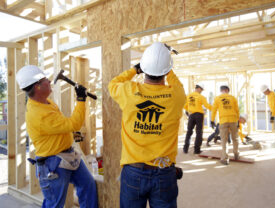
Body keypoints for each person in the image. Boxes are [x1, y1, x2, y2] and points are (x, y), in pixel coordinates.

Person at [109, 42, 185, 208]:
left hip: (134, 171)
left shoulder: (129, 91)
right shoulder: (177, 95)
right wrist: (165, 63)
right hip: (164, 172)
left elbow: (113, 83)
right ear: (166, 71)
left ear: (144, 68)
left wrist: (135, 69)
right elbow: (177, 83)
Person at [16, 65, 98, 208]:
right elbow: (74, 124)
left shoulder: (46, 103)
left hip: (68, 156)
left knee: (87, 185)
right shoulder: (39, 115)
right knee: (54, 204)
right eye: (45, 80)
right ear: (38, 87)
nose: (49, 81)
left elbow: (64, 126)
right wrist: (80, 99)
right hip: (52, 164)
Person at [211, 85, 239, 165]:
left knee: (224, 140)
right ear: (227, 90)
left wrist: (212, 120)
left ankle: (225, 159)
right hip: (233, 120)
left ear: (221, 90)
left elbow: (214, 110)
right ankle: (236, 154)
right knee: (235, 138)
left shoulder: (217, 98)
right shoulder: (233, 98)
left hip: (223, 121)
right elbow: (237, 110)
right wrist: (238, 121)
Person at [183, 84, 212, 154]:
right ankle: (197, 150)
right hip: (199, 115)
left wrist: (189, 110)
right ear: (199, 88)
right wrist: (215, 108)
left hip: (191, 115)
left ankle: (185, 149)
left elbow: (185, 106)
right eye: (201, 90)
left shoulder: (189, 96)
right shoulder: (201, 97)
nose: (201, 91)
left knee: (189, 132)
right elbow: (207, 106)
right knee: (199, 132)